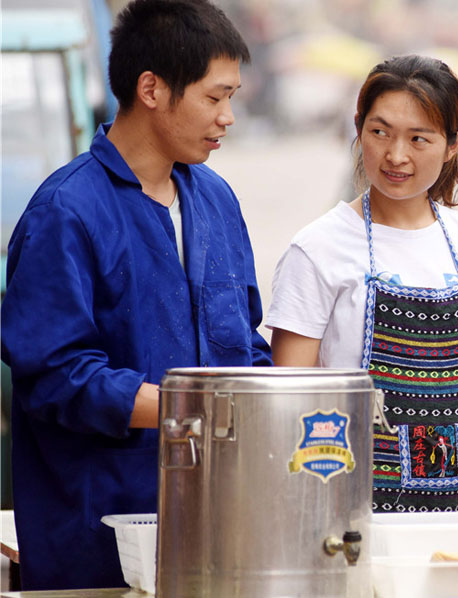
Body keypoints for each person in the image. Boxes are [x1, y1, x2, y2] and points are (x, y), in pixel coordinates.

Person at [0, 0, 268, 590]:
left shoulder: (216, 200)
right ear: (151, 87)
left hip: (216, 527)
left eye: (231, 97)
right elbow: (55, 375)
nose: (227, 117)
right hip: (99, 537)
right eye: (214, 97)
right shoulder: (66, 212)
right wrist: (189, 410)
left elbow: (247, 343)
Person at [267, 55, 458, 513]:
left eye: (418, 138)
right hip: (347, 510)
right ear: (358, 128)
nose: (396, 155)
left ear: (452, 144)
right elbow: (291, 399)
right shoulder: (318, 248)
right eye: (380, 132)